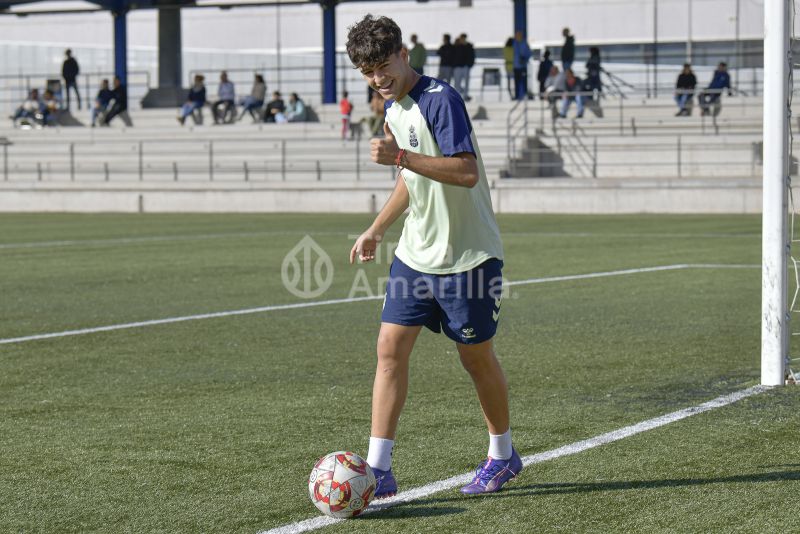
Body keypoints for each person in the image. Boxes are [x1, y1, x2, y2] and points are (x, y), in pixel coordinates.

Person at [345, 14, 520, 499]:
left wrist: (400, 156)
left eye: (383, 65)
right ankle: (379, 470)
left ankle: (503, 456)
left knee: (476, 358)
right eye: (367, 71)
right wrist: (378, 229)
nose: (377, 78)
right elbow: (412, 180)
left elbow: (465, 172)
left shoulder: (442, 101)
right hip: (415, 256)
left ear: (404, 55)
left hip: (468, 259)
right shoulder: (393, 109)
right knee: (389, 351)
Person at [452, 33, 475, 101]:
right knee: (457, 82)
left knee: (466, 82)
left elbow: (471, 55)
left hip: (465, 66)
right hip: (457, 66)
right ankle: (458, 96)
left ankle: (465, 96)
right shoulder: (456, 46)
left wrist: (470, 64)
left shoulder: (469, 46)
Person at [512, 30, 532, 101]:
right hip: (515, 66)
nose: (517, 36)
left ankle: (525, 95)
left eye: (519, 35)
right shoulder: (514, 43)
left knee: (524, 81)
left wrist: (525, 58)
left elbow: (529, 53)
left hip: (523, 66)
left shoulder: (524, 43)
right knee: (516, 82)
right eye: (516, 35)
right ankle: (517, 96)